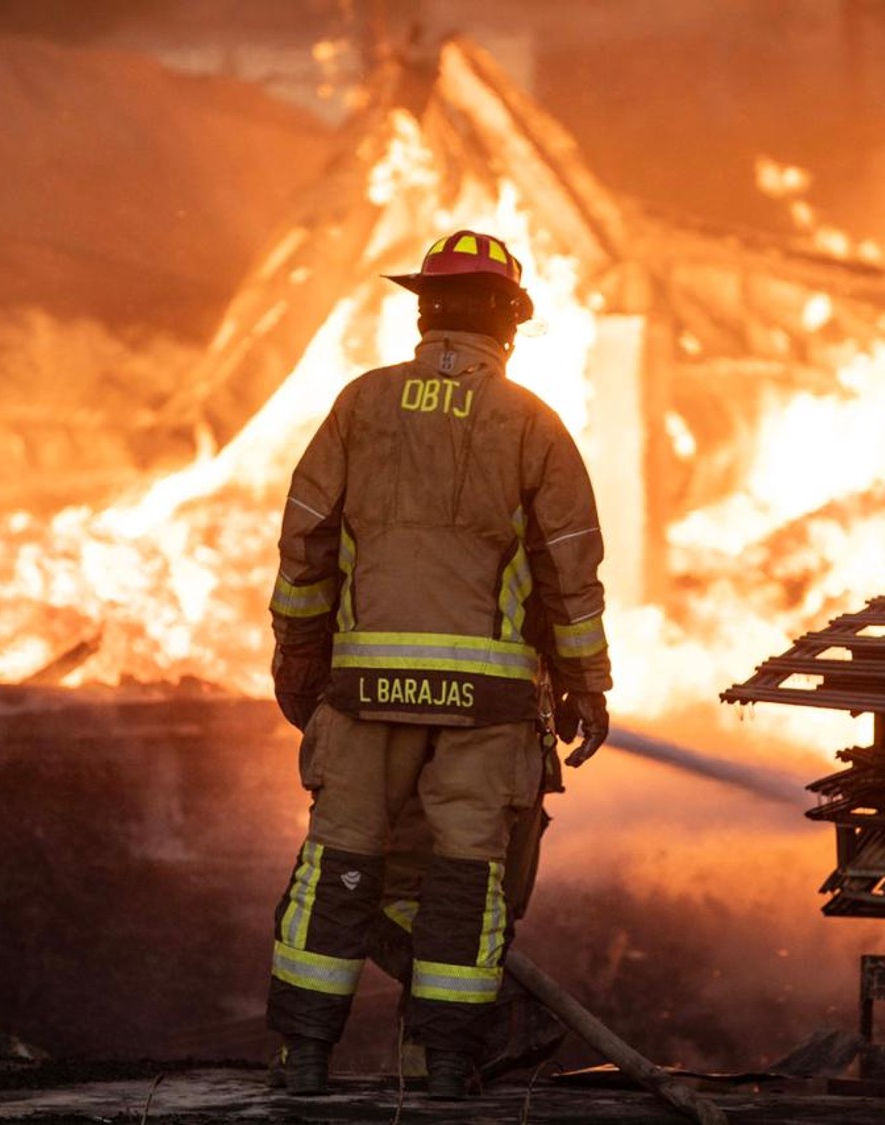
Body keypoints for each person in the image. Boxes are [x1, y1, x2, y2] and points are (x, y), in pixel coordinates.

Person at [264, 229, 612, 1099]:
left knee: (341, 863)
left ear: (424, 310)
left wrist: (299, 656)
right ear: (510, 324)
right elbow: (571, 572)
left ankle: (305, 1058)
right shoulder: (533, 424)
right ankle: (446, 1066)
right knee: (464, 876)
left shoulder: (360, 405)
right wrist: (585, 683)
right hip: (486, 706)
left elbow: (304, 542)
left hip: (364, 690)